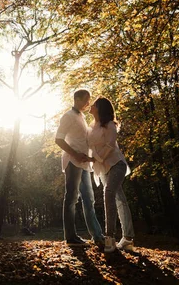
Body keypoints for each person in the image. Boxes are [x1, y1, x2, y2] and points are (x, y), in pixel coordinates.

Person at [55, 89, 105, 247]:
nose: (88, 103)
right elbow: (58, 140)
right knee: (71, 198)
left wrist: (91, 158)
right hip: (72, 162)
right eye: (86, 100)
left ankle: (97, 236)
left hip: (84, 165)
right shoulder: (68, 116)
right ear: (77, 99)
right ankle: (70, 236)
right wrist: (75, 154)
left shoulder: (82, 117)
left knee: (89, 200)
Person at [88, 96, 135, 253]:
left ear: (100, 108)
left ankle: (110, 238)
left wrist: (96, 157)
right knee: (120, 199)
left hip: (117, 165)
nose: (91, 106)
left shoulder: (110, 125)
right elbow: (88, 146)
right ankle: (128, 239)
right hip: (103, 168)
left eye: (94, 104)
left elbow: (109, 146)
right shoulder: (91, 127)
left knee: (108, 193)